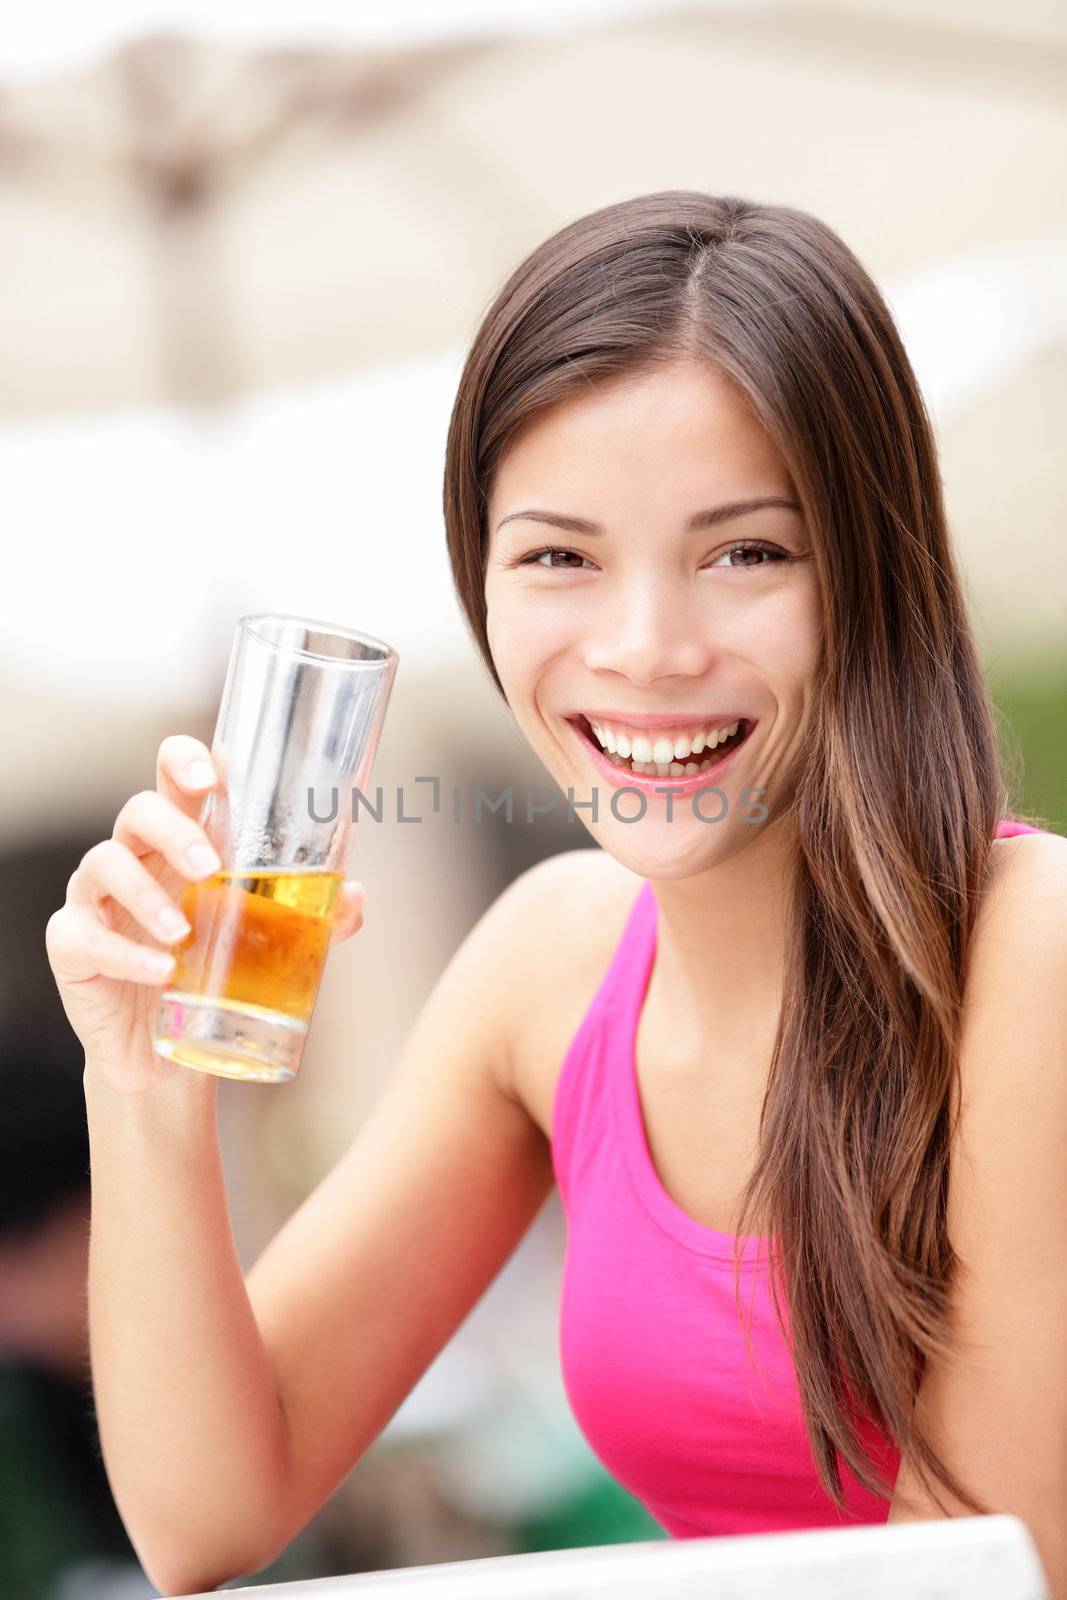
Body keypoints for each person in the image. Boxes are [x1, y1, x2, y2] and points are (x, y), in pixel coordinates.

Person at [45, 191, 1067, 1599]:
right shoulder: (551, 966)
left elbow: (985, 1581)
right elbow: (206, 1514)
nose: (644, 648)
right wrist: (145, 1081)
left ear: (871, 576)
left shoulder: (1031, 957)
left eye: (745, 553)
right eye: (559, 557)